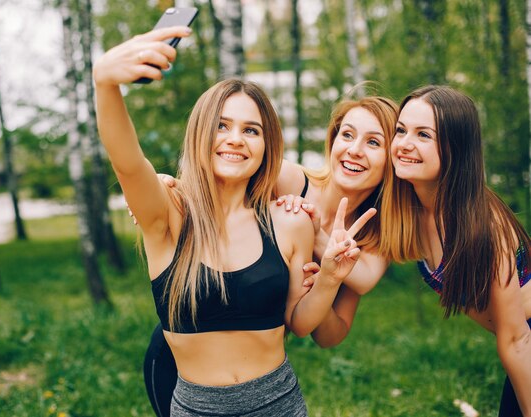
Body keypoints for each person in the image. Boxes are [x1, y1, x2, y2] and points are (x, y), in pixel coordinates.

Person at [93, 26, 375, 416]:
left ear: (266, 146)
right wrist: (105, 84)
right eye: (222, 126)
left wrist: (329, 278)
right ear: (200, 133)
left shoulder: (287, 221)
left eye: (251, 130)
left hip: (279, 403)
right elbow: (127, 161)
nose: (236, 139)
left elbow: (300, 323)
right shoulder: (170, 216)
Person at [143, 91, 400, 414]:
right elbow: (216, 176)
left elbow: (328, 332)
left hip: (262, 372)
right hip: (185, 344)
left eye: (374, 143)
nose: (354, 150)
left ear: (393, 157)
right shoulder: (288, 179)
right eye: (346, 135)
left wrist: (325, 279)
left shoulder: (376, 233)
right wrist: (168, 187)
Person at [390, 85, 531, 416]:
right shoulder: (407, 204)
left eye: (423, 135)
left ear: (455, 147)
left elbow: (517, 339)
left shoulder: (485, 225)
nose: (405, 144)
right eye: (401, 130)